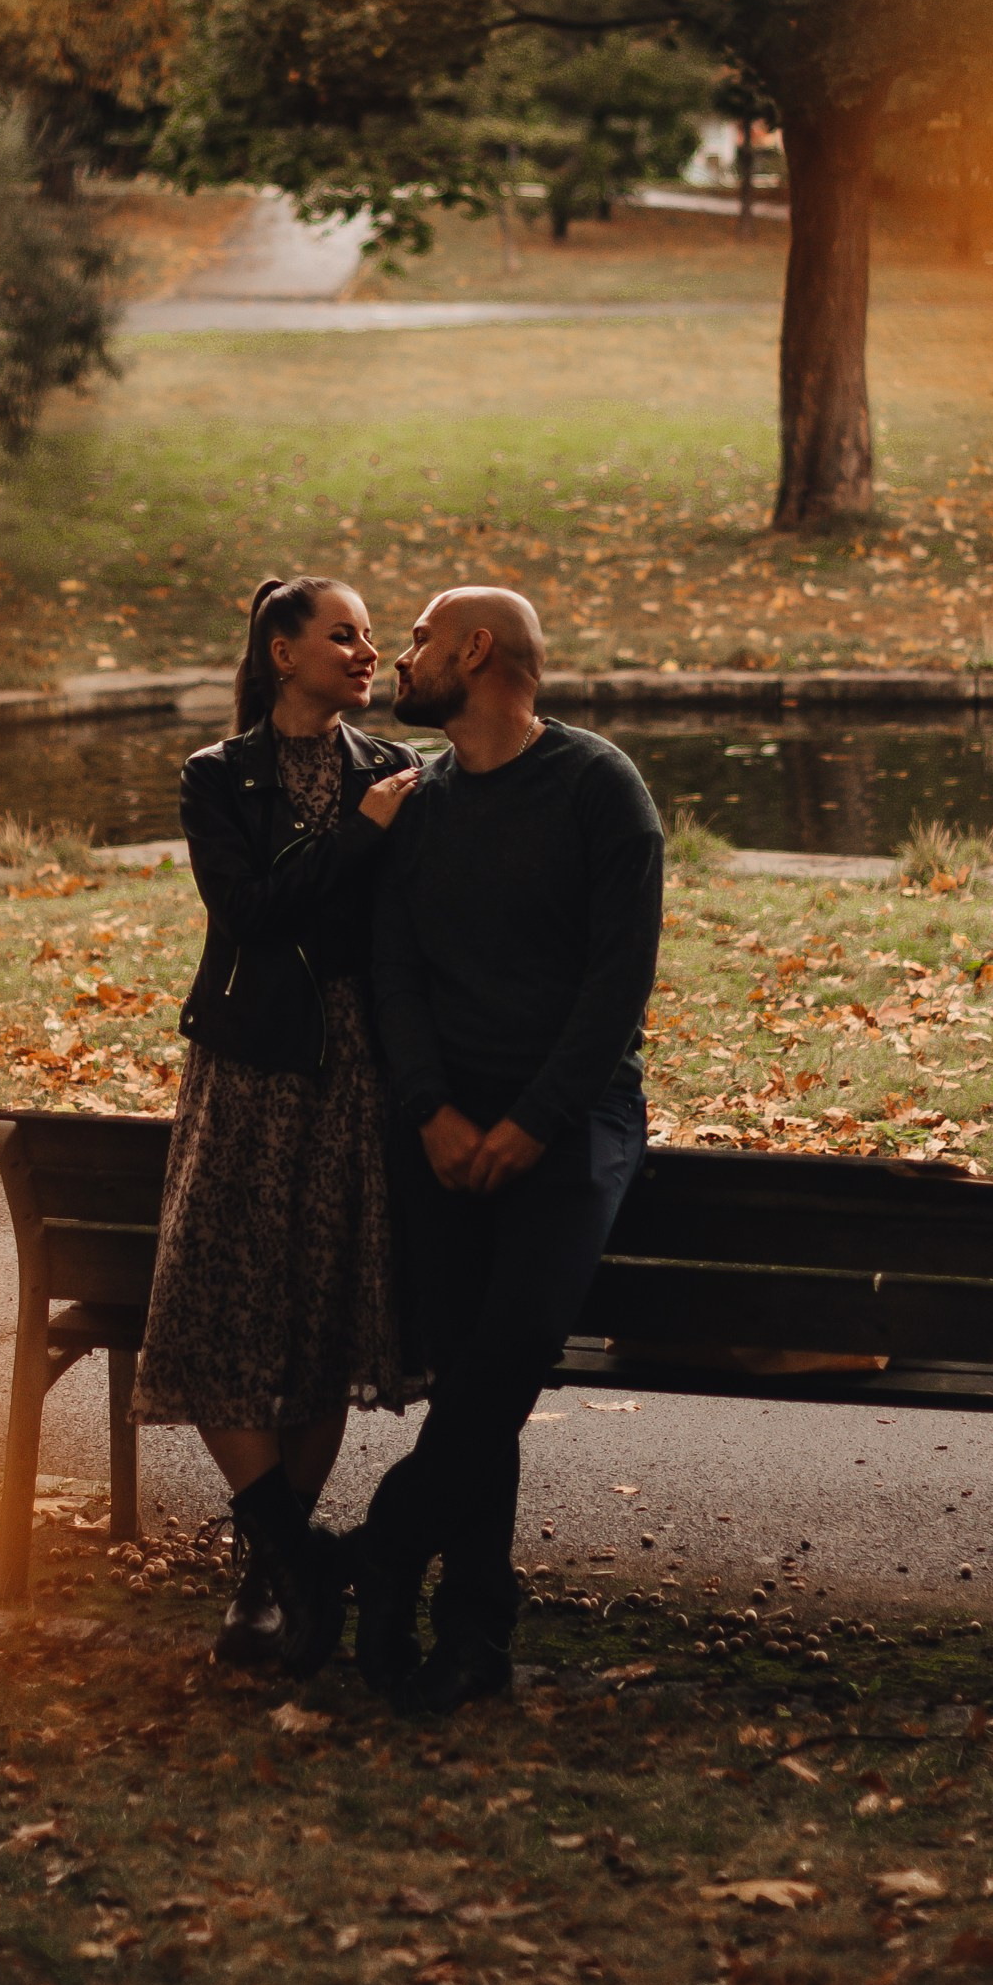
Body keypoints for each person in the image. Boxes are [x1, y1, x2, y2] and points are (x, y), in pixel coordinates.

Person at [351, 585, 664, 1715]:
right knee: (467, 1366)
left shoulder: (596, 787)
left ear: (476, 650)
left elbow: (614, 982)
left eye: (423, 640)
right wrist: (431, 1108)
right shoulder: (416, 805)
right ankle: (472, 1631)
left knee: (508, 1350)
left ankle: (381, 1550)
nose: (401, 657)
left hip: (571, 1123)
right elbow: (394, 970)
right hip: (437, 1133)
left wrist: (531, 1121)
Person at [135, 574, 422, 1674]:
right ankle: (291, 1553)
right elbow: (250, 911)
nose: (365, 651)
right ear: (282, 648)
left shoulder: (394, 770)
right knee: (214, 1304)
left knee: (318, 1312)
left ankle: (269, 1576)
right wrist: (353, 833)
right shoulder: (221, 775)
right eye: (342, 634)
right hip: (252, 1062)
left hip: (351, 1068)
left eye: (369, 635)